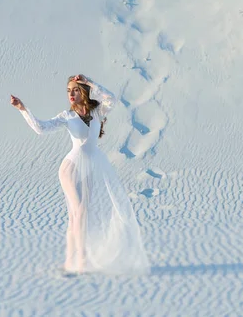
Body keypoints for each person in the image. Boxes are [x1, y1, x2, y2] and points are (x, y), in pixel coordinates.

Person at [10, 74, 151, 276]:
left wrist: (90, 82)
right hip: (71, 168)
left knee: (77, 216)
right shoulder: (66, 116)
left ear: (83, 91)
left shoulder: (97, 111)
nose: (71, 94)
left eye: (75, 90)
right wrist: (23, 109)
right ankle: (81, 260)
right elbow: (41, 128)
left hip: (91, 167)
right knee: (79, 212)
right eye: (68, 91)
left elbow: (112, 99)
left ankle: (70, 260)